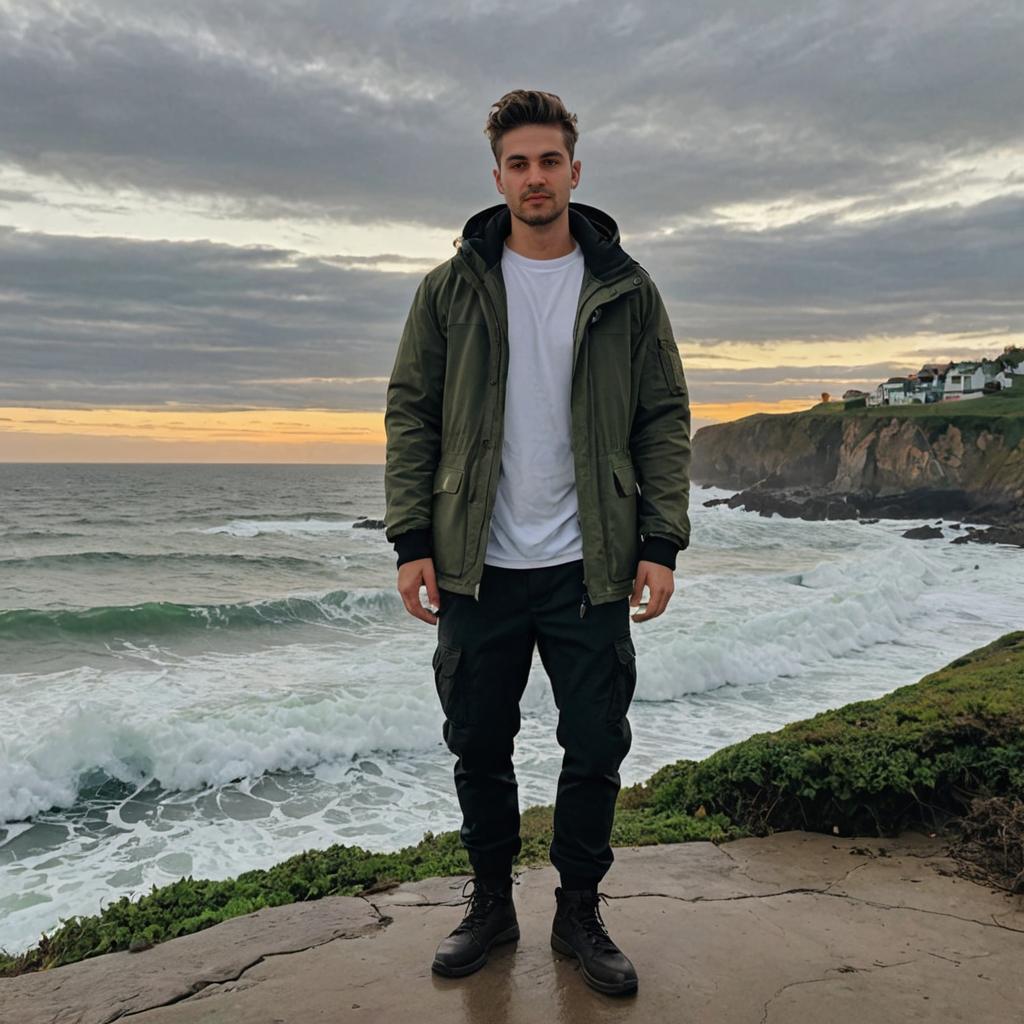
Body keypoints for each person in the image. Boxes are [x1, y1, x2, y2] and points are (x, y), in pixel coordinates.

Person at [384, 89, 691, 997]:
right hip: (477, 563)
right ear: (498, 177)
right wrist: (412, 538)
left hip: (587, 563)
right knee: (478, 739)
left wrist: (660, 541)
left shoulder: (627, 289)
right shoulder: (450, 289)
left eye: (548, 161)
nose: (534, 178)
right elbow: (412, 414)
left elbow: (663, 416)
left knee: (595, 741)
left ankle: (579, 909)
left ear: (574, 171)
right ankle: (490, 900)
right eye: (517, 164)